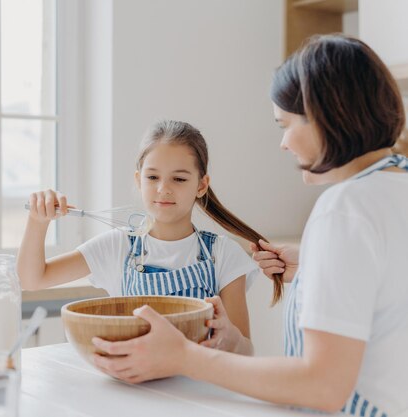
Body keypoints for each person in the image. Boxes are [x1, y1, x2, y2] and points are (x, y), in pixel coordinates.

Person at [91, 35, 408, 416]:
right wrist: (313, 266)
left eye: (285, 125)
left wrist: (184, 358)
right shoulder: (394, 187)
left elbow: (323, 385)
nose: (284, 144)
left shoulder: (343, 209)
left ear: (325, 116)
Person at [17, 120, 277, 355]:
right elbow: (32, 279)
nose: (163, 188)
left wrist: (230, 339)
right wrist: (37, 222)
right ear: (139, 180)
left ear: (201, 185)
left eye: (179, 178)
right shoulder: (116, 246)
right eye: (152, 177)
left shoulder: (223, 254)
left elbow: (245, 351)